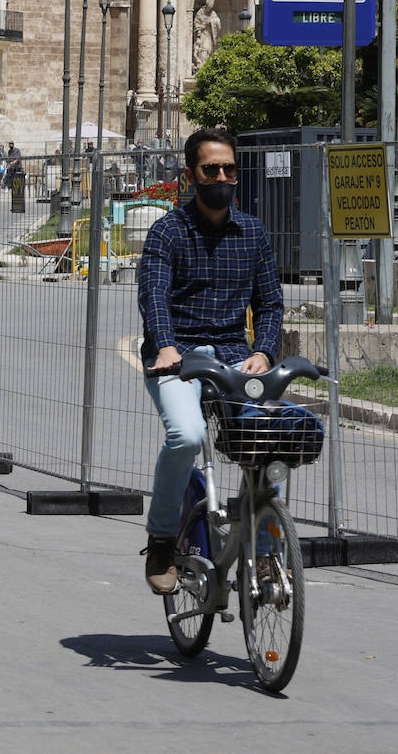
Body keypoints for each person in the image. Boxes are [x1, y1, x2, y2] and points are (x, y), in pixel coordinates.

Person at [136, 128, 283, 594]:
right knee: (187, 435)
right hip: (176, 355)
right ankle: (161, 539)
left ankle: (263, 550)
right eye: (211, 170)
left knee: (268, 435)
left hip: (236, 357)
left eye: (229, 169)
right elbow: (153, 294)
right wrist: (165, 345)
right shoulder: (168, 231)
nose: (221, 177)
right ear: (190, 175)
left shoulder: (253, 233)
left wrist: (263, 351)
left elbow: (271, 304)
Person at [192, 0, 221, 71]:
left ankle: (206, 68)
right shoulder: (200, 12)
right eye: (209, 6)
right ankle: (202, 68)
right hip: (202, 34)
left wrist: (211, 21)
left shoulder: (213, 13)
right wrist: (200, 27)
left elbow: (217, 23)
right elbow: (196, 22)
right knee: (203, 50)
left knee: (208, 49)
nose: (210, 8)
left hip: (209, 35)